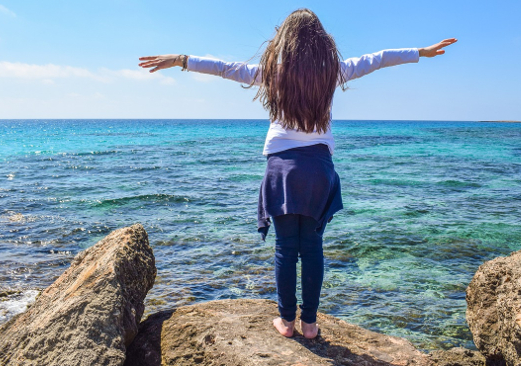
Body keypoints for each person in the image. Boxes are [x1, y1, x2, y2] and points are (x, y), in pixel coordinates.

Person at [139, 8, 456, 339]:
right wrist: (421, 52)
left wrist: (182, 59)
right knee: (313, 246)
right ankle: (310, 324)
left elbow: (225, 68)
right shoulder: (332, 71)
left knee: (286, 248)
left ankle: (286, 323)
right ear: (320, 42)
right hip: (319, 168)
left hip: (282, 170)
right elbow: (377, 59)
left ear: (285, 40)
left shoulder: (273, 74)